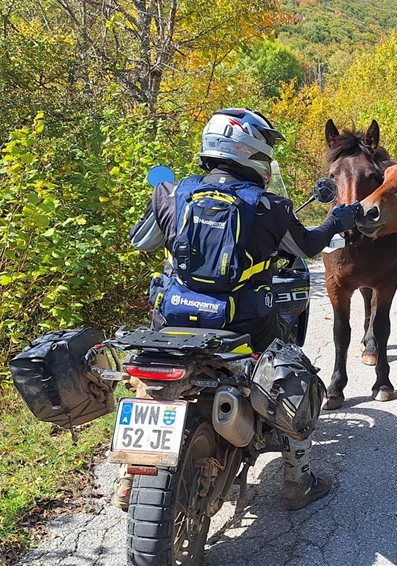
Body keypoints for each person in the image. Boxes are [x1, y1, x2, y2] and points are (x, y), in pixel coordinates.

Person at [114, 108, 359, 512]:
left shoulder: (174, 194)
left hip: (173, 318)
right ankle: (299, 481)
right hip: (243, 325)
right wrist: (335, 220)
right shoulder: (269, 206)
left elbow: (142, 242)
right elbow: (308, 248)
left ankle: (129, 479)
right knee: (293, 373)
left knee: (149, 378)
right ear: (250, 151)